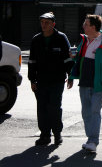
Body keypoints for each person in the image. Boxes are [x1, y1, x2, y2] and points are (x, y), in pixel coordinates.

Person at [67, 14, 102, 152]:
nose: (83, 26)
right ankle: (90, 138)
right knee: (86, 112)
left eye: (86, 24)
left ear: (93, 26)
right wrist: (72, 77)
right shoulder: (84, 41)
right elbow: (78, 60)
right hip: (84, 82)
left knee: (95, 111)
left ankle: (93, 141)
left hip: (99, 84)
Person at [28, 12, 73, 146]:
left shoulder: (61, 38)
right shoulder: (36, 39)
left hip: (57, 80)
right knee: (42, 109)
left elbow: (68, 58)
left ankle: (57, 135)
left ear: (53, 24)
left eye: (47, 22)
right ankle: (45, 135)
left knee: (54, 108)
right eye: (42, 22)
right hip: (41, 81)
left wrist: (70, 76)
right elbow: (32, 61)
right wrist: (32, 80)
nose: (44, 25)